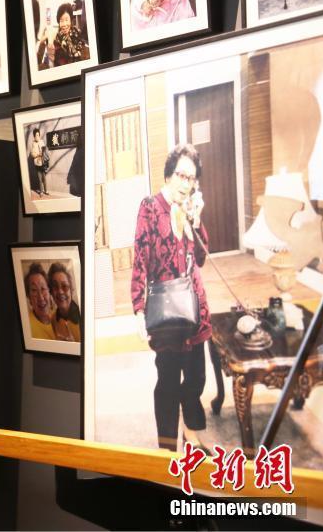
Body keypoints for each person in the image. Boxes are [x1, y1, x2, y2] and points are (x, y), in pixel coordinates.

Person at [130, 143, 211, 451]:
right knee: (167, 382)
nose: (184, 183)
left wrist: (197, 219)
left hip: (195, 307)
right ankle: (167, 446)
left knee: (196, 378)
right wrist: (138, 308)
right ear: (168, 175)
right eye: (180, 175)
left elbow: (202, 258)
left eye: (191, 179)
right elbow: (140, 258)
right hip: (165, 310)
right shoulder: (150, 207)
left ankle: (190, 434)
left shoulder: (190, 209)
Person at [48, 262, 81, 342]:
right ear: (51, 292)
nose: (60, 291)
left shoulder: (84, 315)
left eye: (64, 286)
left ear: (71, 290)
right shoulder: (52, 319)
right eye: (55, 287)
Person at [52, 2, 90, 66]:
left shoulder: (76, 31)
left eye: (66, 20)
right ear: (58, 22)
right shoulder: (56, 39)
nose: (64, 24)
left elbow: (83, 46)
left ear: (71, 20)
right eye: (61, 20)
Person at [25, 263, 57, 339]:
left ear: (49, 291)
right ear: (29, 297)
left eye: (43, 288)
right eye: (34, 290)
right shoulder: (27, 327)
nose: (41, 298)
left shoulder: (59, 315)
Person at [28, 127, 49, 195]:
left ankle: (46, 190)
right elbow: (32, 154)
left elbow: (44, 151)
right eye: (36, 135)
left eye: (38, 135)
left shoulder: (42, 142)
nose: (37, 136)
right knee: (39, 179)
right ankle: (41, 191)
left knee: (44, 178)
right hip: (37, 163)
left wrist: (42, 152)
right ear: (34, 136)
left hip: (42, 162)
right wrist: (37, 155)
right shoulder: (33, 144)